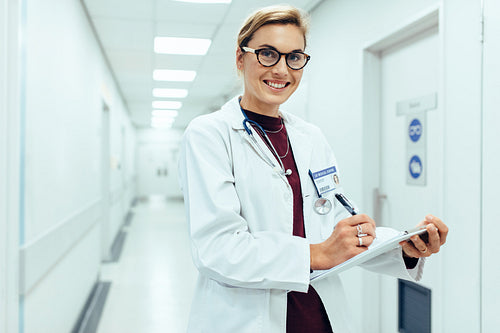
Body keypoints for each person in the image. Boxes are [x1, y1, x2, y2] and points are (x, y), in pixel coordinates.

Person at [178, 5, 448, 333]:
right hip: (246, 319)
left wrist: (402, 247)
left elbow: (334, 227)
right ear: (240, 58)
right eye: (267, 54)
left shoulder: (310, 137)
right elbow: (217, 249)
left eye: (294, 57)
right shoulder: (209, 134)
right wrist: (316, 253)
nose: (281, 69)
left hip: (317, 316)